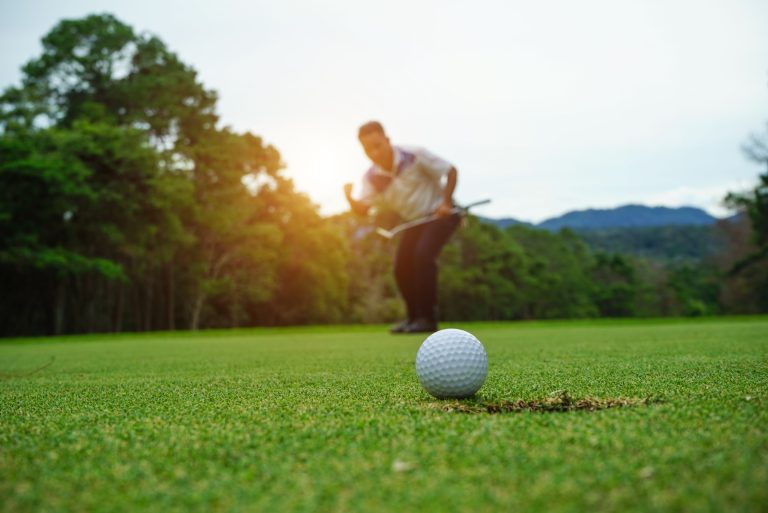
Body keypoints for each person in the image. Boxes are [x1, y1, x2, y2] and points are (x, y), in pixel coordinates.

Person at [344, 121, 460, 334]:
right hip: (414, 222)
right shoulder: (372, 177)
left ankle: (428, 318)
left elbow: (451, 171)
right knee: (401, 268)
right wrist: (349, 198)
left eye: (377, 146)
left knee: (422, 257)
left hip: (439, 214)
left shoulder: (414, 155)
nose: (374, 153)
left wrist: (445, 202)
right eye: (368, 149)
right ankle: (414, 318)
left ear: (387, 140)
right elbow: (363, 210)